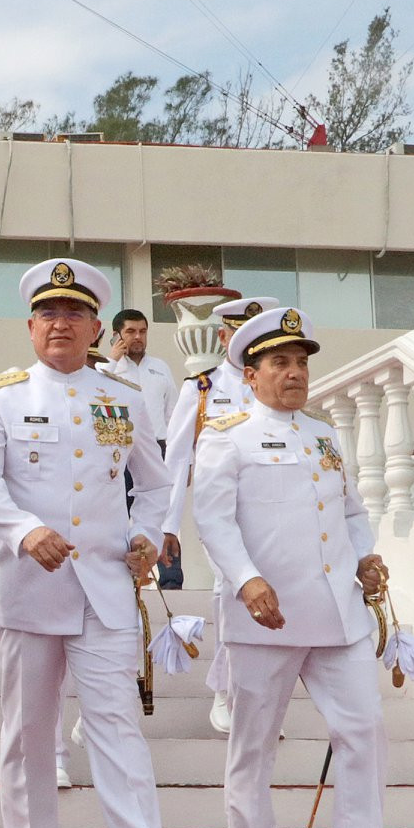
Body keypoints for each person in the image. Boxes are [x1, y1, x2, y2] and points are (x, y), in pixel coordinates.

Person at [0, 257, 188, 828]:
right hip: (30, 585)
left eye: (73, 314)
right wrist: (23, 531)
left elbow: (154, 481)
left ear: (94, 326)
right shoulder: (1, 397)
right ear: (30, 326)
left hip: (105, 588)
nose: (60, 324)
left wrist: (147, 533)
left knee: (117, 725)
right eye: (48, 314)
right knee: (30, 733)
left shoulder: (120, 396)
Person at [192, 306, 403, 828]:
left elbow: (353, 511)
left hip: (337, 613)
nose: (294, 373)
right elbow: (213, 519)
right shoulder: (226, 435)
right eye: (279, 362)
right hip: (265, 614)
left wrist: (365, 556)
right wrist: (246, 579)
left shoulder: (324, 436)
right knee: (253, 749)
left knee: (363, 734)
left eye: (301, 362)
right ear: (250, 374)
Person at [159, 296, 277, 734]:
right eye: (239, 334)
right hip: (220, 512)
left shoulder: (272, 383)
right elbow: (175, 460)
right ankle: (226, 694)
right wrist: (167, 525)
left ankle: (250, 693)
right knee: (232, 589)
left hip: (269, 510)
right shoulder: (202, 388)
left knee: (263, 600)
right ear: (224, 335)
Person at [106, 309, 179, 587]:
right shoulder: (106, 367)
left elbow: (173, 413)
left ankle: (171, 578)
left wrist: (182, 457)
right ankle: (127, 572)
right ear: (117, 334)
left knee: (162, 512)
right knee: (119, 512)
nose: (138, 337)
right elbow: (97, 391)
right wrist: (113, 359)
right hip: (118, 448)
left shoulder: (159, 367)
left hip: (157, 447)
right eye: (131, 332)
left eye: (142, 331)